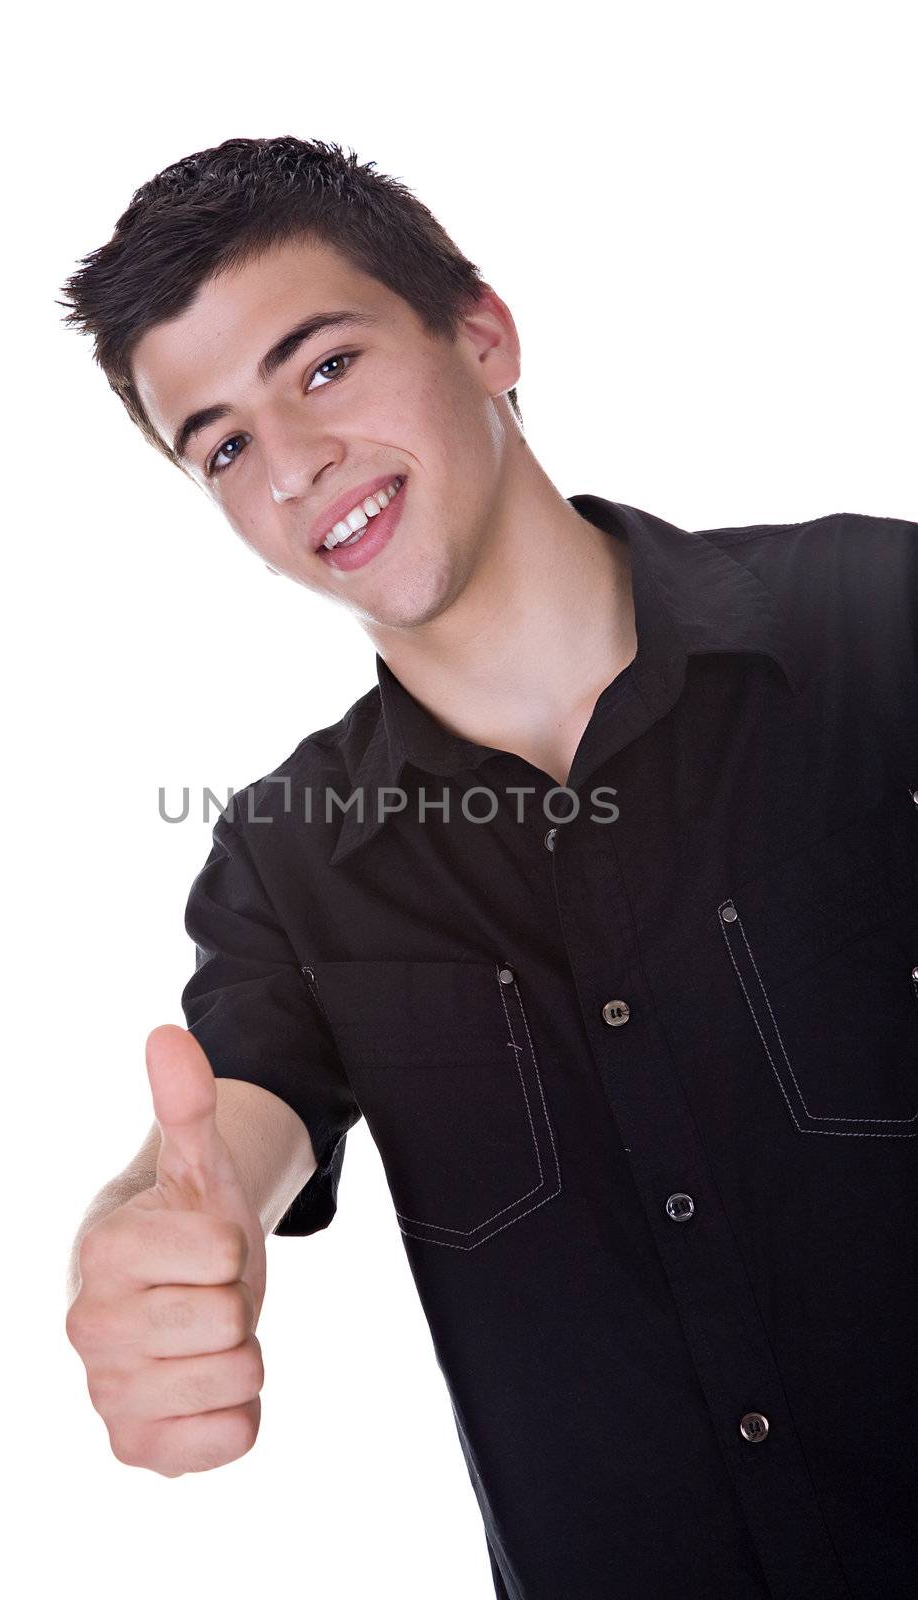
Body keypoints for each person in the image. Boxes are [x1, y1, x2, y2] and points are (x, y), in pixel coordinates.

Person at [60, 136, 918, 1600]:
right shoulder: (292, 853)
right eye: (222, 445)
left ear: (481, 331)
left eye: (321, 367)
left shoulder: (875, 619)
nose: (293, 464)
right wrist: (152, 1238)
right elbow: (238, 1121)